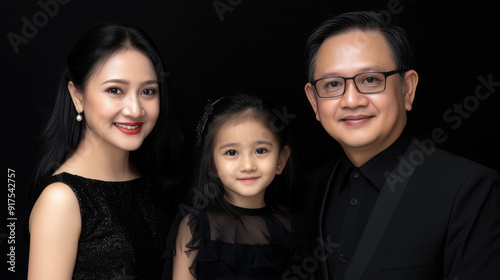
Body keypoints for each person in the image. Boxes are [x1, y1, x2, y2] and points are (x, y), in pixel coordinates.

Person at [296, 11, 500, 280]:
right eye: (333, 84)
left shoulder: (469, 191)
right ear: (314, 102)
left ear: (407, 89)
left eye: (370, 80)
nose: (351, 100)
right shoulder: (301, 195)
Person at [24, 23, 181, 279]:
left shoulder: (153, 184)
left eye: (148, 91)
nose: (134, 109)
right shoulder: (61, 200)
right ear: (77, 96)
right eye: (115, 90)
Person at [162, 93, 308, 280]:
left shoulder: (294, 228)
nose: (248, 165)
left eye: (260, 150)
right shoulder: (196, 228)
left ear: (281, 160)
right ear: (212, 165)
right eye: (232, 152)